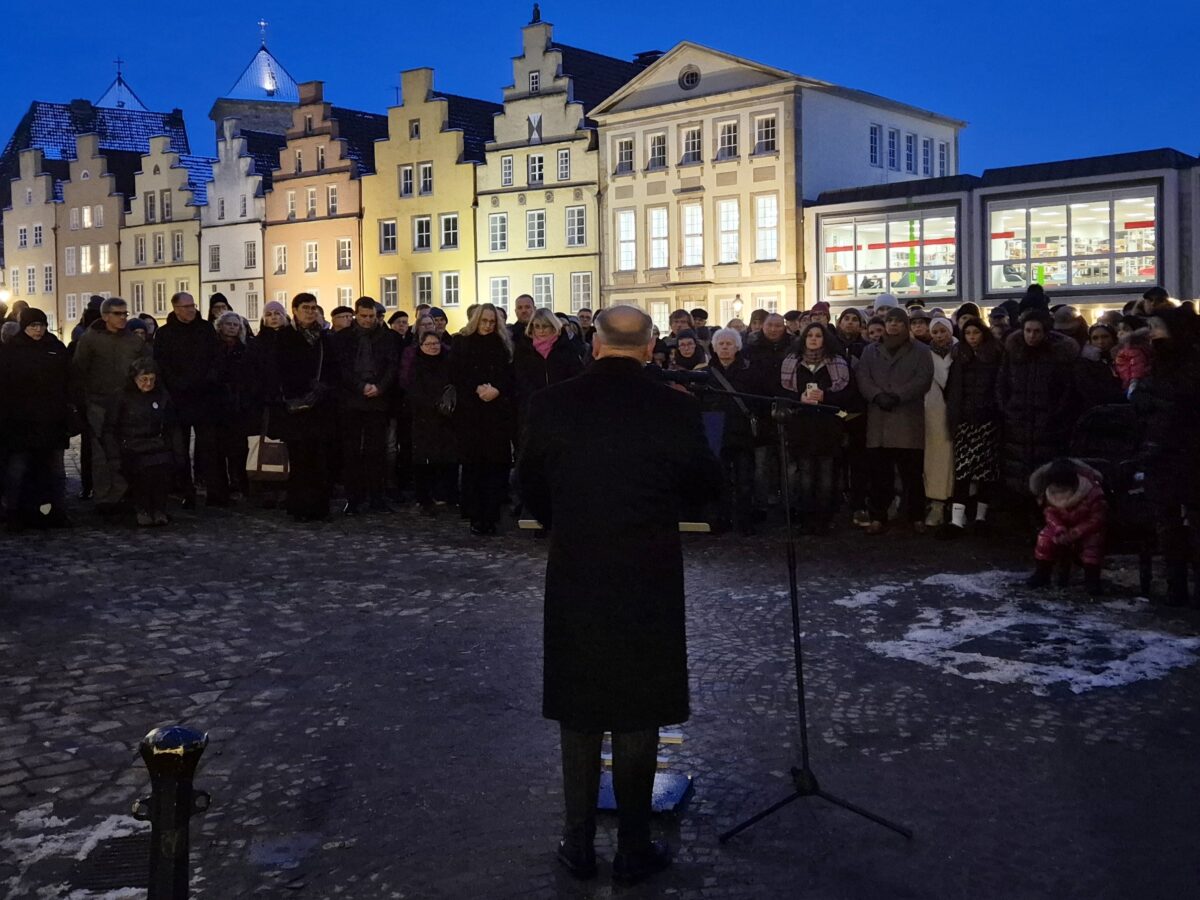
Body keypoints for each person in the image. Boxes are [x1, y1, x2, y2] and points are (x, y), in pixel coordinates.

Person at [517, 305, 722, 886]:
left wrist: (566, 519)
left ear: (596, 346)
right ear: (652, 346)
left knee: (579, 705)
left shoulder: (552, 404)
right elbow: (708, 486)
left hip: (578, 566)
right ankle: (634, 846)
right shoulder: (674, 407)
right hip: (647, 569)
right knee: (639, 705)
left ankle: (577, 843)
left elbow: (528, 485)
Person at [1130, 306, 1200, 606]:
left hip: (1188, 451)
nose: (1152, 332)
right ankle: (1176, 585)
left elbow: (1173, 400)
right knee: (1167, 522)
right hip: (1162, 451)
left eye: (1157, 326)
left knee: (1194, 521)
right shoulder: (1159, 360)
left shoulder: (1189, 362)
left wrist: (1147, 395)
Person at [855, 307, 934, 534]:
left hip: (907, 420)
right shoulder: (871, 351)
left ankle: (915, 516)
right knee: (880, 475)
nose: (893, 325)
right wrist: (877, 395)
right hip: (879, 420)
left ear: (905, 325)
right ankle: (878, 515)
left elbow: (923, 379)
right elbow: (863, 376)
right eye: (890, 321)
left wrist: (898, 395)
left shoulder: (920, 350)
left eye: (898, 321)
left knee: (912, 475)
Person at [779, 322, 860, 533]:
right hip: (802, 426)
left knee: (826, 475)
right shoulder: (791, 363)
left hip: (828, 426)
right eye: (810, 336)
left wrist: (825, 396)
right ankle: (807, 519)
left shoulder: (838, 363)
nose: (813, 339)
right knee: (805, 475)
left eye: (818, 336)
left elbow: (848, 395)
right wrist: (799, 398)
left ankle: (824, 519)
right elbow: (782, 393)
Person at [72, 297, 150, 511]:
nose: (123, 317)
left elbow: (146, 366)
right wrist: (83, 402)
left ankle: (123, 493)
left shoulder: (134, 341)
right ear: (106, 316)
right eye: (118, 313)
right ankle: (105, 498)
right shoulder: (90, 339)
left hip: (127, 404)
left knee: (125, 449)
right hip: (99, 402)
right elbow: (79, 370)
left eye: (125, 313)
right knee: (101, 453)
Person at [0, 307, 73, 529]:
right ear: (25, 327)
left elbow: (68, 379)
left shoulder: (55, 347)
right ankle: (15, 512)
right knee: (18, 469)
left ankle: (55, 511)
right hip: (21, 422)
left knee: (55, 471)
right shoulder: (12, 350)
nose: (38, 330)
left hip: (52, 419)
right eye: (33, 326)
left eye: (41, 325)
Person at [996, 309, 1080, 496]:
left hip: (1047, 425)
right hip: (1017, 422)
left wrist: (1055, 414)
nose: (1031, 336)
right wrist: (1007, 408)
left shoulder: (1058, 355)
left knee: (1044, 476)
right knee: (1016, 474)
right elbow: (1002, 383)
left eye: (1036, 331)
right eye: (1028, 331)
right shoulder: (1013, 352)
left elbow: (1066, 389)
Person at [451, 303, 515, 535]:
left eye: (491, 322)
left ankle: (491, 514)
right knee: (474, 466)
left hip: (496, 413)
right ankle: (476, 514)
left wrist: (496, 389)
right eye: (484, 321)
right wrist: (477, 388)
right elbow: (457, 373)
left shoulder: (502, 344)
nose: (488, 326)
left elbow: (509, 375)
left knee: (496, 466)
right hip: (471, 412)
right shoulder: (462, 342)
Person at [153, 291, 220, 509]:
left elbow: (216, 358)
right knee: (179, 449)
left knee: (209, 448)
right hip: (178, 399)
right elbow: (161, 365)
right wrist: (177, 384)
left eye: (193, 305)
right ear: (176, 309)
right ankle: (186, 491)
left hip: (204, 396)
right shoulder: (165, 334)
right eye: (186, 306)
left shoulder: (205, 329)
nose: (191, 309)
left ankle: (214, 491)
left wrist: (207, 380)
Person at [333, 297, 398, 515]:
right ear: (356, 314)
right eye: (363, 316)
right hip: (351, 400)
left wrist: (379, 387)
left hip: (378, 400)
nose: (368, 320)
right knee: (352, 451)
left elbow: (392, 366)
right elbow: (342, 369)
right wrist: (361, 386)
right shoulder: (343, 338)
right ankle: (354, 498)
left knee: (376, 451)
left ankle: (377, 497)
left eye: (371, 316)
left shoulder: (388, 337)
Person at [275, 293, 336, 522]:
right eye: (306, 308)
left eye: (313, 307)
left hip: (320, 407)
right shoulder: (285, 336)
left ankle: (319, 507)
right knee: (300, 459)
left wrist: (323, 387)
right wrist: (303, 385)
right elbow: (281, 370)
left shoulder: (323, 337)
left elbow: (333, 367)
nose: (310, 312)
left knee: (320, 458)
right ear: (295, 310)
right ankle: (300, 507)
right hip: (297, 407)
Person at [942, 316, 1004, 537]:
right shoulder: (960, 356)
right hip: (965, 420)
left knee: (986, 471)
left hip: (987, 420)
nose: (971, 337)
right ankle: (957, 520)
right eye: (967, 333)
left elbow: (1000, 385)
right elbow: (952, 388)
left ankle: (980, 517)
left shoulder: (995, 355)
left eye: (975, 333)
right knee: (963, 470)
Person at [704, 327, 761, 535]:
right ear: (714, 347)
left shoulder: (749, 371)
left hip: (741, 431)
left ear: (737, 347)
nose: (725, 347)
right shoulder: (705, 373)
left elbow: (756, 399)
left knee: (744, 479)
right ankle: (722, 518)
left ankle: (744, 520)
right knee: (720, 479)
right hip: (715, 430)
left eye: (729, 343)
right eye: (721, 343)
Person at [108, 358, 176, 526]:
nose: (148, 383)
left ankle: (159, 508)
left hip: (155, 443)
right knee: (143, 469)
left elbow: (171, 425)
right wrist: (115, 453)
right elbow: (110, 428)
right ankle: (142, 508)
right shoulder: (122, 396)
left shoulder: (161, 396)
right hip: (131, 444)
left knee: (162, 467)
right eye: (143, 379)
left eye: (151, 379)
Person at [1027, 458, 1107, 594]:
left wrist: (1076, 532)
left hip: (1086, 530)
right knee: (1044, 539)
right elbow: (1050, 514)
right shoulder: (1050, 494)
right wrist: (1059, 529)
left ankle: (1092, 579)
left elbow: (1097, 519)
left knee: (1092, 546)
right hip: (1062, 528)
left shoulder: (1092, 494)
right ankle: (1043, 573)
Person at [407, 330, 459, 514]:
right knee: (424, 459)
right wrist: (432, 403)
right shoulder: (416, 365)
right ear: (421, 346)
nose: (433, 347)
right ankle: (425, 497)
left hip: (447, 418)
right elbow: (413, 390)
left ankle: (449, 494)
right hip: (424, 417)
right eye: (428, 344)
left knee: (449, 457)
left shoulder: (449, 361)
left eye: (435, 343)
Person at [210, 311, 254, 503]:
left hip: (238, 405)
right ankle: (222, 488)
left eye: (236, 325)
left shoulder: (244, 349)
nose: (232, 327)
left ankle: (241, 484)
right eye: (229, 324)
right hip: (217, 404)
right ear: (221, 326)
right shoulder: (213, 348)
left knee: (239, 448)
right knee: (218, 448)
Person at [922, 317, 957, 529]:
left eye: (943, 331)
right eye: (935, 332)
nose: (939, 336)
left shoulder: (960, 352)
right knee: (935, 458)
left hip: (956, 410)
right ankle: (937, 502)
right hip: (932, 410)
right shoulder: (925, 354)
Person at [1075, 324, 1123, 410]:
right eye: (1095, 338)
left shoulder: (1124, 357)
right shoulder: (1085, 363)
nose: (1100, 341)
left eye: (1105, 337)